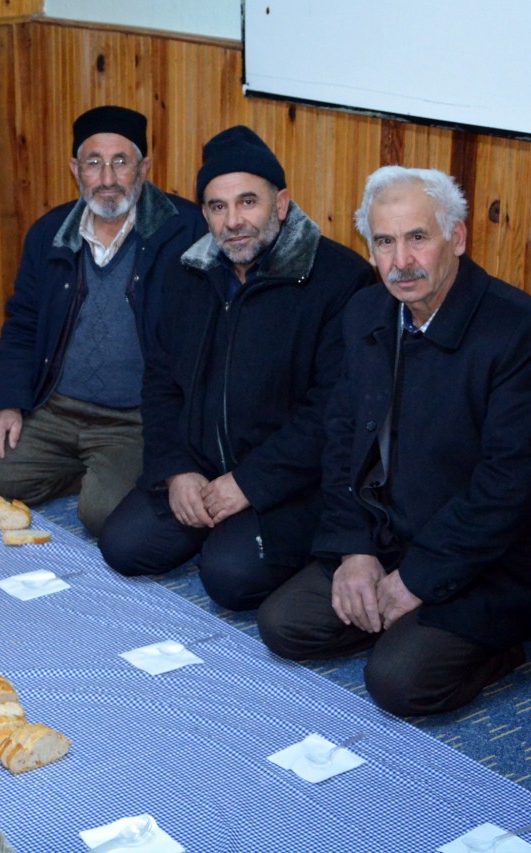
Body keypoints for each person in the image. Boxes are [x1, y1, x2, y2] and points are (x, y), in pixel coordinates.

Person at [257, 166, 531, 715]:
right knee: (281, 625)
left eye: (417, 238)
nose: (400, 261)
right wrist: (354, 550)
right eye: (384, 242)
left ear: (456, 238)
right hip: (389, 536)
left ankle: (489, 649)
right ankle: (394, 619)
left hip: (494, 559)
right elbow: (340, 441)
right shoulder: (365, 313)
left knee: (398, 683)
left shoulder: (521, 331)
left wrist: (419, 580)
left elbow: (511, 488)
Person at [99, 126, 375, 610]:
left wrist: (250, 484)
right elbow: (161, 381)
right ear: (204, 213)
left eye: (249, 202)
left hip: (290, 481)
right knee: (123, 546)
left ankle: (241, 535)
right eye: (218, 207)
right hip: (201, 467)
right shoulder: (187, 272)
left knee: (229, 578)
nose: (234, 222)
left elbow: (330, 414)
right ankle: (218, 524)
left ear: (282, 203)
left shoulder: (340, 280)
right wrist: (176, 469)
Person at [0, 106, 206, 535]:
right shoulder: (49, 233)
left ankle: (103, 474)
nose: (108, 178)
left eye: (121, 161)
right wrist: (8, 403)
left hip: (135, 417)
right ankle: (89, 469)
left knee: (102, 514)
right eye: (94, 163)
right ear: (75, 169)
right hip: (57, 408)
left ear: (145, 168)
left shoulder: (185, 231)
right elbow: (22, 323)